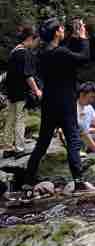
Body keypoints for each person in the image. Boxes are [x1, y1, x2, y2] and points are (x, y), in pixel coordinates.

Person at [24, 18, 95, 192]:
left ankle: (28, 179)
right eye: (62, 29)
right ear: (57, 32)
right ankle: (79, 182)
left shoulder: (43, 53)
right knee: (73, 140)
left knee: (42, 143)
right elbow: (83, 58)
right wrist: (83, 38)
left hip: (49, 102)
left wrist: (75, 38)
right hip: (65, 102)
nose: (64, 30)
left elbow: (66, 52)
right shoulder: (61, 53)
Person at [3, 26, 42, 157]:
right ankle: (19, 148)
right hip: (21, 92)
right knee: (20, 119)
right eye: (36, 41)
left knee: (10, 119)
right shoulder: (24, 53)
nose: (36, 44)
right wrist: (37, 90)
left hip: (11, 92)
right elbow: (28, 75)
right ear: (30, 38)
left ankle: (7, 148)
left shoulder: (14, 52)